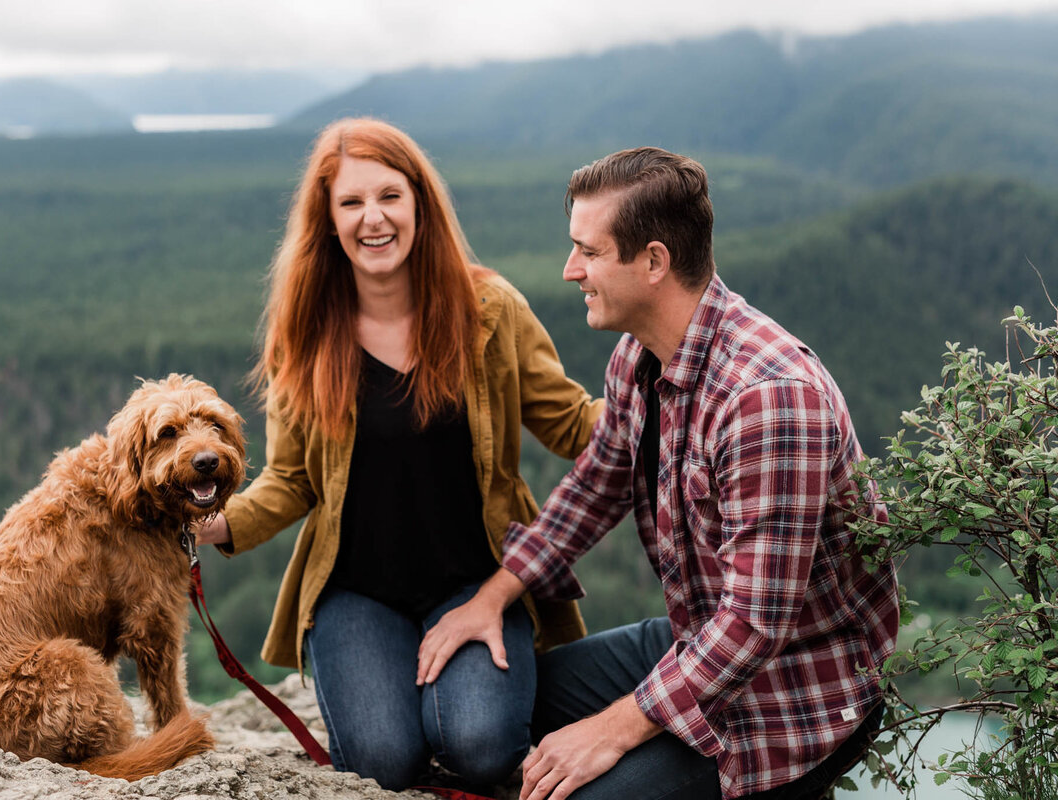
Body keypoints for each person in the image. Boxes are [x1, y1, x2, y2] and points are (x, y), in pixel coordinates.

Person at [416, 147, 900, 800]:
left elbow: (755, 624)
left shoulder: (768, 397)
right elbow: (593, 490)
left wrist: (613, 730)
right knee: (489, 713)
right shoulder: (637, 358)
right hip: (694, 640)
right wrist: (492, 597)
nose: (569, 270)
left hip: (793, 695)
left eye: (587, 251)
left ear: (652, 262)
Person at [195, 117, 602, 792]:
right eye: (351, 203)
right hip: (357, 591)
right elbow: (293, 480)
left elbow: (570, 421)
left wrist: (668, 398)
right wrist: (218, 524)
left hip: (478, 578)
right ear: (327, 221)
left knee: (481, 746)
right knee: (383, 763)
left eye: (389, 196)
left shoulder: (490, 310)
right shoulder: (305, 334)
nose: (372, 218)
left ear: (420, 204)